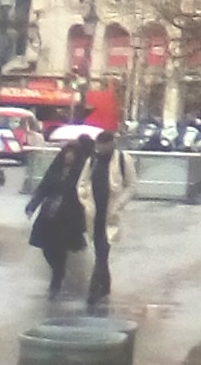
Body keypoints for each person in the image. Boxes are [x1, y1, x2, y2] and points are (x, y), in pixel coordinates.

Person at [77, 130, 135, 307]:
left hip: (110, 213)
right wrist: (85, 199)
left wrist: (119, 204)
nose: (101, 148)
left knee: (103, 250)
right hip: (94, 213)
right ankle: (105, 284)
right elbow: (82, 182)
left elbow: (131, 186)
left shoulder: (123, 160)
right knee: (99, 250)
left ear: (112, 144)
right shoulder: (92, 161)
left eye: (104, 145)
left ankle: (93, 289)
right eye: (99, 145)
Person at [25, 141, 87, 294]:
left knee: (61, 246)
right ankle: (58, 270)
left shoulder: (81, 172)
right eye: (67, 153)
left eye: (72, 153)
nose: (69, 156)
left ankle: (57, 276)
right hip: (50, 213)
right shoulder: (56, 169)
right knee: (47, 247)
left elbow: (86, 193)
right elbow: (43, 187)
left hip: (69, 215)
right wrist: (32, 205)